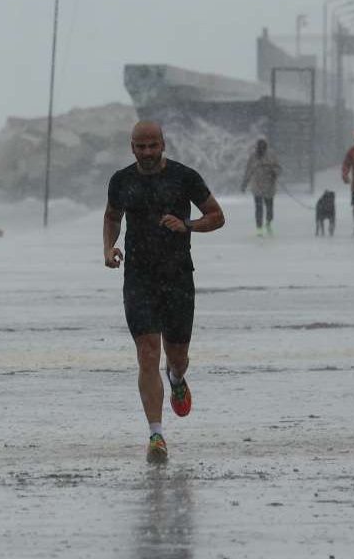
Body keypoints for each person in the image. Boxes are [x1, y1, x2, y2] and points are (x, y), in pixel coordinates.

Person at [103, 121, 225, 463]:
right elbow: (112, 216)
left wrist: (187, 224)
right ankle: (156, 435)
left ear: (163, 145)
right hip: (138, 279)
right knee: (146, 353)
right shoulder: (121, 180)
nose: (146, 153)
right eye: (140, 147)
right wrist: (108, 247)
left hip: (178, 278)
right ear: (131, 147)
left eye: (152, 146)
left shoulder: (185, 177)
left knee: (177, 356)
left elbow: (217, 216)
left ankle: (177, 377)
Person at [240, 137, 282, 237]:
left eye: (263, 147)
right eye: (260, 147)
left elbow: (278, 168)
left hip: (269, 187)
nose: (261, 149)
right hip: (257, 186)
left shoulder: (272, 156)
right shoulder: (253, 157)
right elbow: (248, 171)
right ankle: (259, 228)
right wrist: (244, 183)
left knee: (269, 208)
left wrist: (274, 172)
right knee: (258, 208)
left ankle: (268, 222)